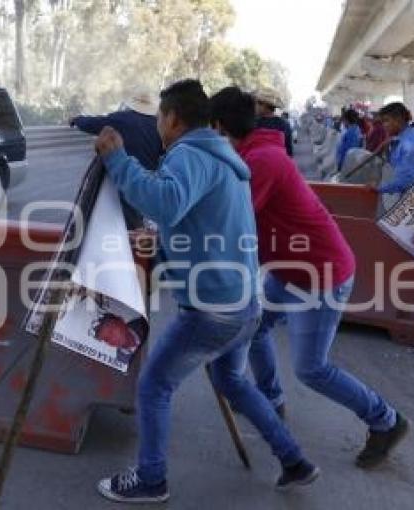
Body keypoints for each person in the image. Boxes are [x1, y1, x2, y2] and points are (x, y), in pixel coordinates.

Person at [94, 79, 319, 504]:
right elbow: (204, 225)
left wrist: (118, 160)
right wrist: (160, 244)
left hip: (213, 310)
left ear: (174, 119)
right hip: (244, 302)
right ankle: (294, 460)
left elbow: (164, 201)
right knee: (231, 379)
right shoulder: (223, 158)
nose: (158, 125)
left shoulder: (189, 154)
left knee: (155, 385)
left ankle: (151, 478)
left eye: (160, 117)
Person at [209, 86, 409, 470]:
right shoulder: (251, 153)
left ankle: (386, 420)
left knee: (311, 369)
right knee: (256, 327)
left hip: (320, 275)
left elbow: (233, 224)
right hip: (289, 269)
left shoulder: (262, 160)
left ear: (220, 128)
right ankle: (270, 401)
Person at [70, 91, 164, 229]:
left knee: (125, 218)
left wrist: (76, 120)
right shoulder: (159, 126)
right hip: (149, 181)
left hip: (124, 175)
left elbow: (94, 123)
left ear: (132, 104)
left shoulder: (120, 119)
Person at [367, 102, 414, 195]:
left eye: (386, 120)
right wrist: (388, 151)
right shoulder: (406, 138)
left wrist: (378, 187)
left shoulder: (409, 144)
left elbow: (405, 181)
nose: (384, 125)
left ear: (398, 120)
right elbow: (399, 165)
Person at [254, 87, 294, 157]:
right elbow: (289, 153)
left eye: (258, 102)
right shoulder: (284, 124)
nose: (255, 105)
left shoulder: (253, 124)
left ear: (265, 105)